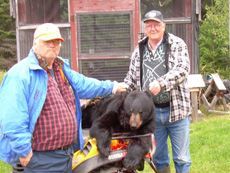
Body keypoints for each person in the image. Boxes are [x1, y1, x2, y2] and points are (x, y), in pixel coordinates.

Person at [0, 23, 127, 173]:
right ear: (35, 43)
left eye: (56, 41)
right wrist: (23, 150)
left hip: (66, 154)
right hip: (41, 159)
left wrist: (113, 87)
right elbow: (12, 117)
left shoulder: (59, 68)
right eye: (47, 41)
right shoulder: (20, 74)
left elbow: (84, 84)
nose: (53, 45)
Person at [123, 10, 191, 173]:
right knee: (159, 158)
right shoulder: (139, 49)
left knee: (182, 158)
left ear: (163, 25)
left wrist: (161, 83)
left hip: (176, 111)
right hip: (151, 114)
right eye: (149, 25)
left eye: (156, 24)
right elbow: (131, 79)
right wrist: (119, 91)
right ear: (145, 27)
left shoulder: (177, 44)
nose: (152, 28)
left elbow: (183, 69)